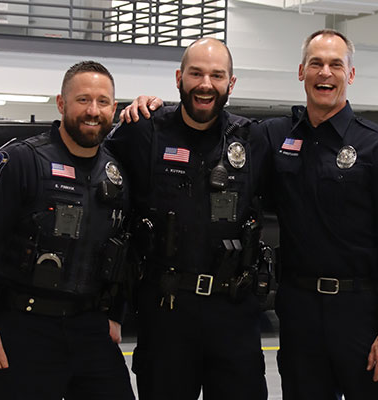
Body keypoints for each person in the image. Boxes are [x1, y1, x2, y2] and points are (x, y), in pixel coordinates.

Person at [0, 61, 135, 400]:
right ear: (61, 103)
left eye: (103, 101)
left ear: (114, 107)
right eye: (83, 99)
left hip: (91, 328)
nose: (93, 111)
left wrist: (115, 314)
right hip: (24, 328)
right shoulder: (21, 161)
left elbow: (122, 247)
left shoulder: (117, 172)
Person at [107, 38, 269, 400]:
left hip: (233, 314)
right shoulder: (144, 131)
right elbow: (104, 204)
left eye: (216, 75)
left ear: (231, 83)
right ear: (179, 77)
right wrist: (110, 308)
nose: (205, 84)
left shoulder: (253, 139)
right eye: (196, 73)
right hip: (166, 314)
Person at [262, 29, 378, 399]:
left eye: (335, 64)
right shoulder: (275, 137)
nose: (325, 73)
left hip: (361, 314)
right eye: (316, 63)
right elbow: (214, 126)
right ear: (301, 71)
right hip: (299, 313)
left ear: (350, 75)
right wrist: (158, 108)